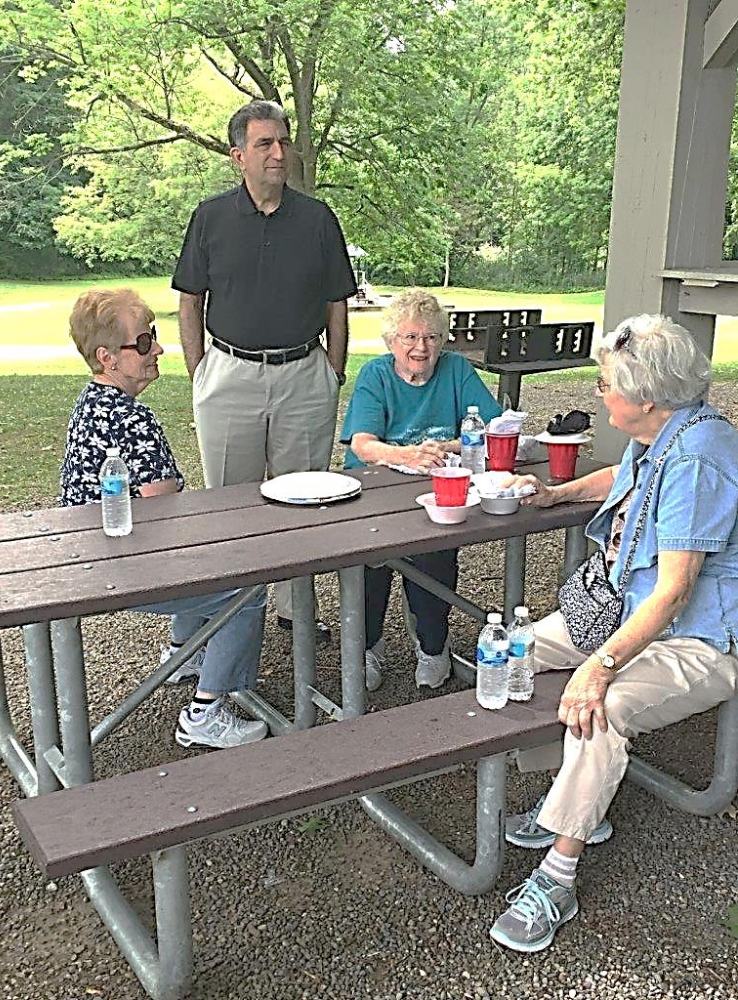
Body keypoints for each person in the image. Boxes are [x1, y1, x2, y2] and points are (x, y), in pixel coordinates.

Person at [489, 313, 738, 953]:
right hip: (630, 612)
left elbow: (675, 590)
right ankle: (574, 795)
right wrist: (554, 495)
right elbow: (622, 478)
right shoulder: (661, 429)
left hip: (696, 638)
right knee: (512, 652)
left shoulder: (698, 458)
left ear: (646, 398)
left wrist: (600, 665)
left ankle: (557, 877)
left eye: (606, 385)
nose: (599, 393)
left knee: (605, 706)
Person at [172, 99, 357, 645]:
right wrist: (199, 372)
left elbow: (337, 302)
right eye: (265, 144)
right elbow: (189, 299)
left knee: (304, 501)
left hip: (305, 375)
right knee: (229, 505)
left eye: (283, 142)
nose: (279, 153)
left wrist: (334, 371)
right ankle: (229, 616)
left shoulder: (318, 218)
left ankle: (293, 611)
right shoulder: (210, 218)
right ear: (238, 156)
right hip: (229, 376)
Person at [61, 288, 269, 751]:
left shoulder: (89, 404)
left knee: (206, 553)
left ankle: (183, 655)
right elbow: (163, 507)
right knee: (246, 587)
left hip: (85, 559)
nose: (158, 348)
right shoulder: (134, 420)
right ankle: (205, 711)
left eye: (153, 336)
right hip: (123, 568)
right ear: (107, 358)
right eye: (143, 342)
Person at [340, 289, 502, 691]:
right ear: (391, 341)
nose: (420, 347)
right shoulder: (375, 375)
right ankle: (365, 646)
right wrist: (405, 455)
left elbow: (493, 427)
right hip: (377, 491)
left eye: (430, 337)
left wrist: (443, 449)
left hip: (438, 488)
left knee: (435, 557)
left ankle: (433, 644)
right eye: (409, 337)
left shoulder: (456, 370)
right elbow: (362, 443)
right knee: (369, 562)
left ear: (442, 341)